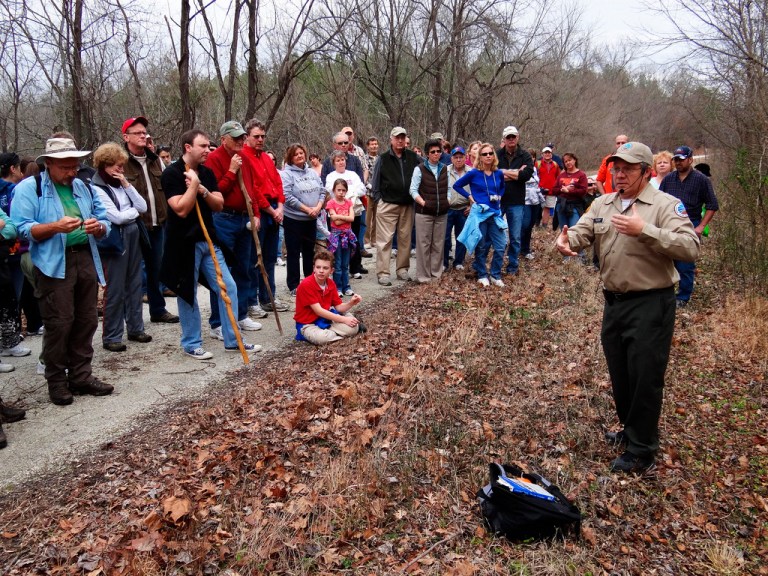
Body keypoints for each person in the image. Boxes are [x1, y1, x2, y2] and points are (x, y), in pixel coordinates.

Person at [555, 141, 700, 473]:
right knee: (621, 373)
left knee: (645, 375)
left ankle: (643, 449)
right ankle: (631, 429)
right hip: (614, 303)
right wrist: (566, 241)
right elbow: (581, 232)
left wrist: (644, 230)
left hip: (651, 303)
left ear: (646, 172)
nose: (619, 175)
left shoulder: (665, 205)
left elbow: (690, 247)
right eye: (616, 168)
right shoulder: (603, 203)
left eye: (628, 169)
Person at [12, 137, 114, 405]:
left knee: (87, 319)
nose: (72, 172)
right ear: (49, 164)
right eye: (66, 167)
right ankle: (56, 381)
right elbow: (22, 229)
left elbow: (104, 220)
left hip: (85, 257)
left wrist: (99, 228)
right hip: (52, 262)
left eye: (75, 166)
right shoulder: (29, 189)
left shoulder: (84, 186)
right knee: (59, 323)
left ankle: (81, 376)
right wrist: (55, 227)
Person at [160, 129, 261, 359]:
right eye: (203, 146)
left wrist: (202, 188)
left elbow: (218, 204)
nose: (208, 150)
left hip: (209, 241)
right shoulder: (172, 174)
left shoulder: (205, 172)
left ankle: (233, 339)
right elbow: (181, 209)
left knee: (228, 287)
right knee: (188, 293)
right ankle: (191, 343)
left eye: (208, 146)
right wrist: (193, 186)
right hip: (184, 243)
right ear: (188, 147)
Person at [203, 120, 266, 338]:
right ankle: (218, 322)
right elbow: (215, 192)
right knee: (221, 272)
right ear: (223, 139)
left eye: (242, 137)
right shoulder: (213, 159)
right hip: (223, 219)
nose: (240, 141)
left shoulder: (245, 158)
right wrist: (231, 171)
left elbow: (252, 189)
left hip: (244, 219)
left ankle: (240, 315)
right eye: (235, 137)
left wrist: (256, 213)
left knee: (244, 268)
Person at [91, 143, 151, 352]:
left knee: (135, 283)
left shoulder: (121, 184)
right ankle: (112, 336)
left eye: (122, 166)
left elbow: (143, 206)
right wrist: (134, 212)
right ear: (105, 165)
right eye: (118, 166)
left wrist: (126, 184)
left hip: (133, 234)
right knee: (115, 287)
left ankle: (136, 328)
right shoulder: (97, 188)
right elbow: (115, 217)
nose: (121, 170)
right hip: (115, 239)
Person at [121, 116, 179, 324]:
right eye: (138, 133)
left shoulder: (156, 161)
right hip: (134, 226)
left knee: (157, 270)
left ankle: (158, 310)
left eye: (144, 132)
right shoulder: (121, 162)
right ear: (126, 137)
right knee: (133, 273)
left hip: (158, 224)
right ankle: (132, 318)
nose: (143, 136)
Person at [660, 145, 719, 307]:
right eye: (676, 160)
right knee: (665, 261)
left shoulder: (701, 180)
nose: (678, 163)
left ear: (690, 160)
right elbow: (658, 202)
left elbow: (712, 205)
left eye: (682, 159)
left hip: (689, 223)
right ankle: (665, 294)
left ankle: (683, 297)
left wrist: (701, 226)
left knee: (685, 263)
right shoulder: (668, 179)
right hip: (668, 223)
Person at [242, 119, 289, 316]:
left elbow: (277, 182)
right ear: (247, 137)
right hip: (260, 211)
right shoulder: (244, 157)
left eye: (262, 136)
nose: (260, 140)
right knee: (256, 259)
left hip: (274, 210)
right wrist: (271, 210)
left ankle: (268, 297)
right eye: (256, 136)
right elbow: (254, 189)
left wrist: (280, 207)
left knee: (270, 258)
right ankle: (252, 301)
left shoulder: (266, 158)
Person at [370, 126, 422, 286]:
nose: (400, 140)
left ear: (406, 139)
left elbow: (426, 171)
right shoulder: (383, 158)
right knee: (384, 240)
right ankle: (383, 272)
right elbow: (375, 181)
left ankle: (402, 270)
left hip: (407, 204)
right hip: (387, 204)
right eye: (397, 137)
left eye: (402, 137)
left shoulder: (414, 157)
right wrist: (379, 199)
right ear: (391, 139)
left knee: (405, 239)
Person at [454, 142, 508, 287]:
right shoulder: (473, 173)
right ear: (480, 157)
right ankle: (482, 274)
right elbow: (457, 185)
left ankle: (495, 275)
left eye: (490, 153)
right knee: (481, 245)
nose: (488, 156)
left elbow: (502, 187)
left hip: (495, 214)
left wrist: (499, 196)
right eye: (485, 154)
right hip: (480, 214)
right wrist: (470, 197)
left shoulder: (498, 173)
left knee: (501, 245)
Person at [280, 143, 326, 295]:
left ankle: (309, 280)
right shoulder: (286, 174)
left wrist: (318, 207)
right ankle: (294, 285)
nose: (299, 156)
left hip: (311, 219)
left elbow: (322, 190)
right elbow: (287, 196)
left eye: (301, 153)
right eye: (296, 154)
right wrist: (306, 209)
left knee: (309, 251)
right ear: (290, 158)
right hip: (294, 219)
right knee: (293, 252)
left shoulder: (312, 172)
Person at [293, 249, 363, 345]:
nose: (321, 271)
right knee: (322, 338)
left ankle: (338, 332)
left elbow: (339, 307)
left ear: (331, 270)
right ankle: (339, 332)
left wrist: (351, 303)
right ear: (314, 268)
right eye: (318, 267)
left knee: (352, 328)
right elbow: (319, 311)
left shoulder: (330, 283)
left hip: (326, 319)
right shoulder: (306, 284)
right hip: (308, 324)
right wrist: (344, 320)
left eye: (325, 268)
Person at [410, 138, 449, 283]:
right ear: (427, 153)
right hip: (424, 213)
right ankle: (423, 276)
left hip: (442, 212)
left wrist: (448, 200)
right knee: (423, 244)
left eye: (439, 151)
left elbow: (449, 188)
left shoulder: (445, 168)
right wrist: (423, 203)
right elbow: (413, 190)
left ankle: (436, 274)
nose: (436, 154)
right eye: (433, 152)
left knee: (438, 243)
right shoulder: (419, 169)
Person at [496, 126, 533, 276]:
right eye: (508, 137)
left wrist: (504, 172)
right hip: (498, 200)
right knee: (495, 234)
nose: (511, 140)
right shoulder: (497, 154)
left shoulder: (525, 156)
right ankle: (495, 265)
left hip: (517, 201)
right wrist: (515, 173)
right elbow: (494, 175)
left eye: (513, 137)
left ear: (517, 137)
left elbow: (526, 175)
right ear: (504, 139)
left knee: (515, 237)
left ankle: (512, 266)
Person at [323, 150, 367, 279]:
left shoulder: (352, 174)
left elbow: (362, 188)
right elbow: (330, 191)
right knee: (337, 243)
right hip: (337, 213)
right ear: (333, 163)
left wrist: (350, 195)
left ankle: (354, 268)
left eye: (342, 159)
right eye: (338, 160)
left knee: (354, 240)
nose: (341, 162)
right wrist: (346, 196)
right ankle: (337, 270)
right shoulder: (331, 176)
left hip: (354, 211)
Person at [1, 206, 31, 370]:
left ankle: (9, 343)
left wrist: (2, 228)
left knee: (9, 303)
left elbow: (11, 228)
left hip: (3, 260)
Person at [326, 179, 356, 296]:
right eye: (339, 190)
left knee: (345, 263)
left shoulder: (349, 203)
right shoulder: (331, 203)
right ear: (334, 190)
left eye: (344, 190)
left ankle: (346, 286)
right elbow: (335, 222)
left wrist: (339, 216)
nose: (341, 193)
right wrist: (345, 216)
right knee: (337, 263)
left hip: (347, 235)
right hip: (336, 236)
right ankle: (337, 288)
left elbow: (352, 218)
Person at [444, 146, 471, 271]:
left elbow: (476, 191)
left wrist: (471, 206)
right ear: (452, 158)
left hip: (464, 209)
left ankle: (458, 262)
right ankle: (444, 262)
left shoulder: (471, 172)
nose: (459, 160)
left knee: (461, 237)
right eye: (456, 157)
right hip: (448, 208)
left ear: (466, 158)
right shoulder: (445, 171)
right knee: (445, 237)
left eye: (461, 157)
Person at [553, 152, 589, 231]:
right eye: (565, 161)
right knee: (564, 230)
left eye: (569, 160)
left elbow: (583, 191)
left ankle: (573, 243)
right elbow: (554, 190)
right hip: (561, 205)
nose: (568, 163)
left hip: (575, 206)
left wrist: (569, 191)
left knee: (574, 230)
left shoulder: (581, 175)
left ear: (574, 160)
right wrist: (562, 190)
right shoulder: (561, 175)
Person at [521, 149, 544, 260]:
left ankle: (526, 249)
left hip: (535, 199)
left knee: (530, 225)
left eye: (533, 156)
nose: (531, 158)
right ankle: (516, 247)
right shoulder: (520, 169)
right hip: (524, 200)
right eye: (529, 156)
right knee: (524, 224)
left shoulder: (535, 169)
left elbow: (538, 183)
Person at [363, 136, 379, 250]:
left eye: (376, 144)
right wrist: (368, 184)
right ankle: (366, 240)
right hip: (368, 192)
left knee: (378, 217)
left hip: (379, 192)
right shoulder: (364, 158)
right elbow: (364, 173)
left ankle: (375, 240)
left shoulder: (381, 159)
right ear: (368, 146)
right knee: (367, 217)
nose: (374, 146)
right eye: (372, 144)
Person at [538, 146, 561, 228]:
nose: (547, 154)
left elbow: (558, 177)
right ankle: (536, 224)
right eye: (545, 153)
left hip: (551, 191)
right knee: (537, 208)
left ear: (551, 154)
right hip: (539, 190)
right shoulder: (538, 164)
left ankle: (544, 225)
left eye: (549, 153)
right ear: (542, 154)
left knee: (547, 208)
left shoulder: (555, 164)